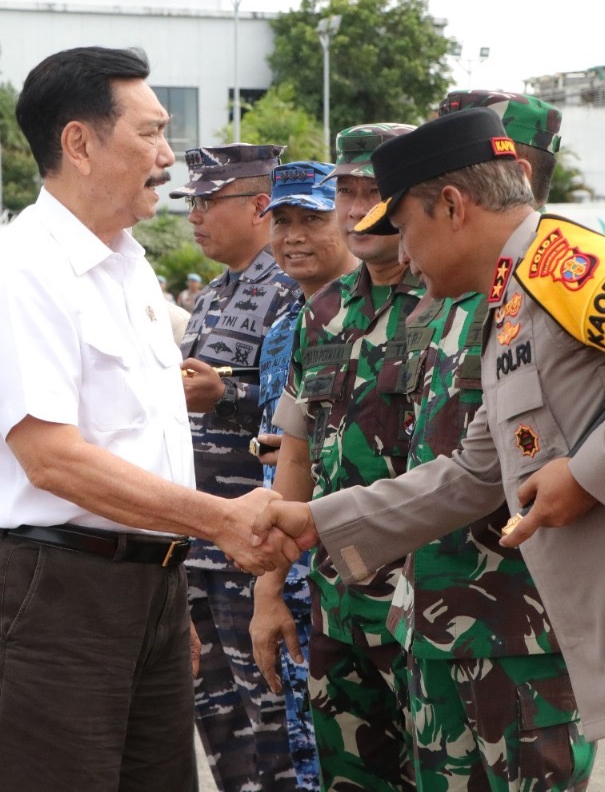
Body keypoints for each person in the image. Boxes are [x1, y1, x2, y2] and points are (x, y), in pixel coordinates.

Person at [254, 108, 605, 791]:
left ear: (452, 206)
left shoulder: (557, 261)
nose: (400, 252)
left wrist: (590, 472)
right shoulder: (508, 300)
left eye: (404, 228)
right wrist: (316, 523)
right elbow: (471, 474)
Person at [0, 45, 297, 792]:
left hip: (146, 592)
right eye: (150, 133)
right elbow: (54, 460)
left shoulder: (128, 266)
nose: (167, 156)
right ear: (79, 142)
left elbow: (142, 437)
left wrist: (166, 598)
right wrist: (218, 520)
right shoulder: (20, 273)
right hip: (55, 593)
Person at [383, 90, 593, 791]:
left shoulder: (570, 280)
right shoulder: (441, 299)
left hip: (525, 626)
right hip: (435, 619)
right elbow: (443, 452)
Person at [267, 122, 422, 791]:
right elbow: (295, 460)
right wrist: (269, 589)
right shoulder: (323, 311)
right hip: (339, 603)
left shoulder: (456, 299)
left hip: (433, 610)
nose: (355, 209)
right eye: (346, 191)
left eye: (373, 191)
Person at [169, 142, 303, 792]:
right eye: (190, 202)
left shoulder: (291, 291)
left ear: (258, 205)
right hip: (198, 549)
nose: (194, 215)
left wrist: (227, 394)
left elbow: (301, 416)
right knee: (222, 735)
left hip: (252, 550)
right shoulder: (212, 295)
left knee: (273, 732)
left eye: (206, 201)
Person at [249, 159, 355, 792]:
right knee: (307, 766)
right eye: (280, 220)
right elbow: (280, 472)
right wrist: (268, 592)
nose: (293, 235)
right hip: (293, 583)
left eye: (312, 219)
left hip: (366, 586)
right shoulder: (286, 329)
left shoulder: (391, 315)